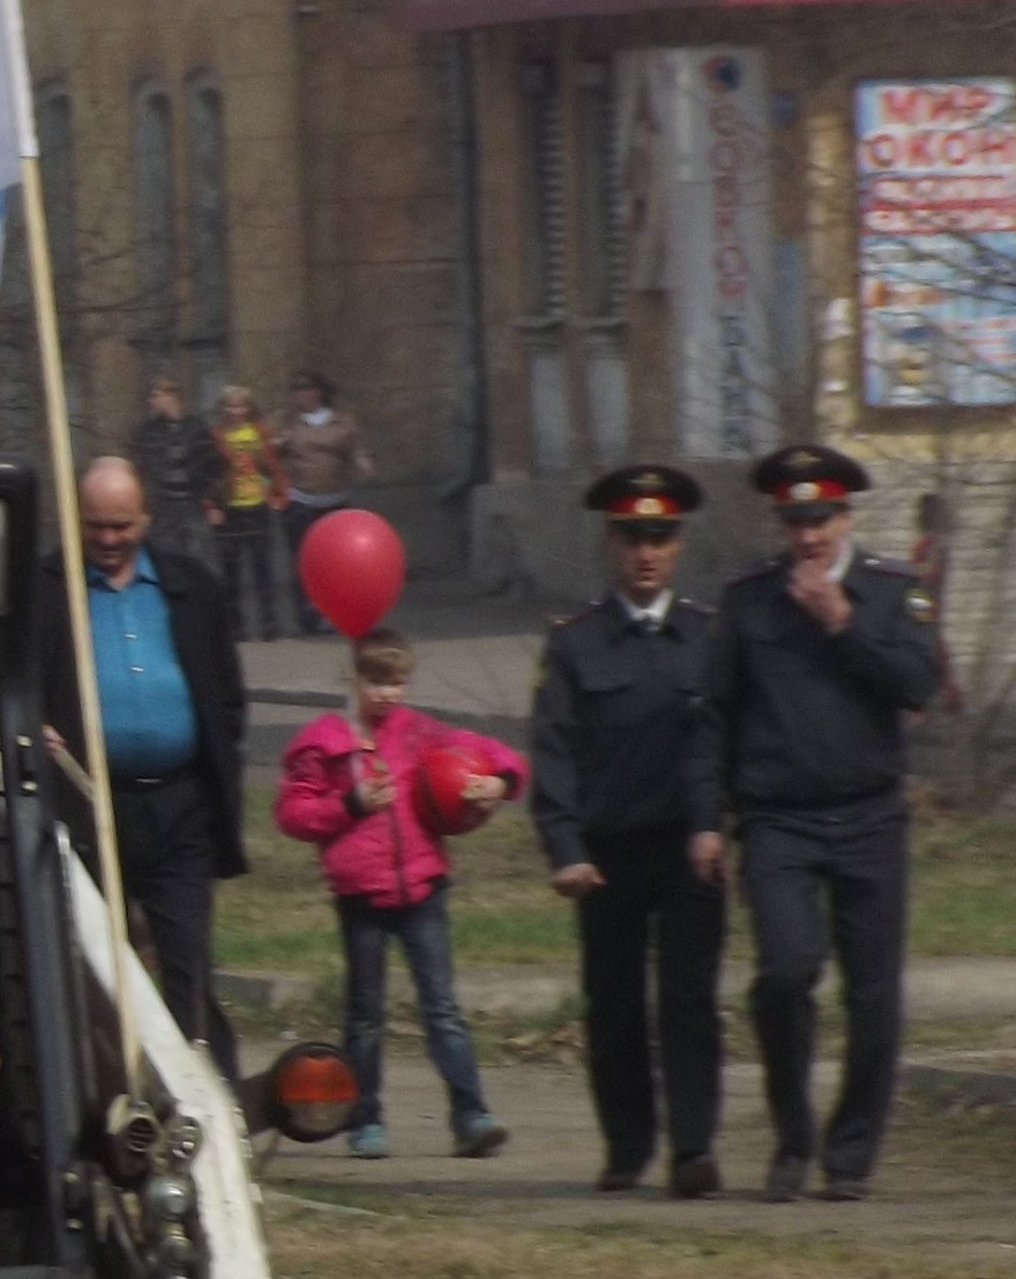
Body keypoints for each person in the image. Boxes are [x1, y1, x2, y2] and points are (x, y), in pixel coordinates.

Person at [700, 444, 945, 1202]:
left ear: (846, 518)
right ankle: (792, 1137)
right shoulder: (750, 599)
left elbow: (919, 684)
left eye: (821, 520)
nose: (808, 536)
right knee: (784, 971)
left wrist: (843, 622)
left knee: (873, 998)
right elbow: (715, 717)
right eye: (794, 521)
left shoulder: (891, 591)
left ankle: (850, 1156)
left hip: (871, 818)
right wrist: (707, 821)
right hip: (780, 820)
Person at [529, 466, 730, 1199]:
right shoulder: (576, 642)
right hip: (608, 855)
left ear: (679, 545)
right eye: (632, 537)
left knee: (689, 1001)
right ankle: (627, 1147)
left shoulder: (708, 636)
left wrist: (723, 826)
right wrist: (565, 849)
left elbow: (730, 740)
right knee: (613, 1005)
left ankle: (694, 1148)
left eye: (660, 536)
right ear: (610, 544)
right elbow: (554, 752)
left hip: (690, 851)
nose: (647, 552)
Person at [276, 630, 524, 1160]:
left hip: (423, 888)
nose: (387, 693)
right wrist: (351, 804)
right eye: (375, 681)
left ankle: (471, 1114)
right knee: (366, 1015)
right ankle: (365, 1119)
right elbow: (293, 812)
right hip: (361, 896)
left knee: (443, 1008)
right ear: (353, 679)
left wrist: (501, 780)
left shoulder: (419, 732)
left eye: (397, 682)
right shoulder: (326, 741)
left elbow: (490, 751)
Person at [36, 457, 251, 1065]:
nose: (108, 539)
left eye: (122, 526)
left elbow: (226, 697)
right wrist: (36, 726)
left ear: (147, 518)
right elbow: (17, 684)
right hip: (86, 806)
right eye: (96, 526)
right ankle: (114, 1088)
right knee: (97, 970)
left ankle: (209, 1095)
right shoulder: (46, 590)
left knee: (188, 965)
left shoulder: (191, 587)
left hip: (180, 810)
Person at [272, 370, 378, 633]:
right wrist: (277, 444)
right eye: (297, 390)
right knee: (307, 560)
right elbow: (267, 455)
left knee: (335, 560)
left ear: (319, 392)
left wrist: (363, 463)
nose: (301, 395)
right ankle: (309, 614)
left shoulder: (342, 422)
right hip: (301, 501)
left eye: (306, 389)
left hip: (335, 501)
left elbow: (356, 449)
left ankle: (335, 610)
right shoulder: (288, 422)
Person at [210, 382, 289, 641]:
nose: (236, 411)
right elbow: (209, 472)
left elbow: (273, 465)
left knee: (262, 567)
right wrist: (212, 505)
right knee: (231, 570)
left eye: (241, 406)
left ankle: (269, 624)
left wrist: (279, 492)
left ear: (248, 408)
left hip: (258, 504)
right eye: (231, 406)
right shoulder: (217, 435)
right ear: (223, 408)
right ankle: (236, 626)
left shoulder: (259, 431)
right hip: (230, 507)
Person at [129, 377, 228, 579]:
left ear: (171, 396)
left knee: (203, 563)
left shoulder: (196, 428)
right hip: (162, 510)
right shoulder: (149, 432)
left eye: (156, 395)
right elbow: (139, 469)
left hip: (193, 507)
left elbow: (216, 466)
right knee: (165, 562)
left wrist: (214, 502)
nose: (152, 401)